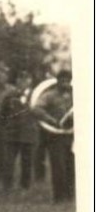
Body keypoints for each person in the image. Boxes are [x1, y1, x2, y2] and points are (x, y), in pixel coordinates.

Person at [31, 70, 74, 203]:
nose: (65, 83)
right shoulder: (49, 95)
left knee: (71, 166)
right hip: (54, 136)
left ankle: (70, 195)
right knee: (58, 166)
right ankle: (59, 196)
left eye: (68, 80)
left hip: (72, 135)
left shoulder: (76, 95)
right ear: (58, 80)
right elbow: (37, 109)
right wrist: (51, 120)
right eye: (63, 80)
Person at [1, 70, 38, 191]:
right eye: (20, 79)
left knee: (27, 162)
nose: (23, 82)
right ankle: (7, 187)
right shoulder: (10, 96)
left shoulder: (36, 96)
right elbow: (4, 113)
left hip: (29, 133)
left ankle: (25, 186)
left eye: (26, 79)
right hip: (12, 134)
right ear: (16, 81)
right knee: (8, 162)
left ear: (30, 81)